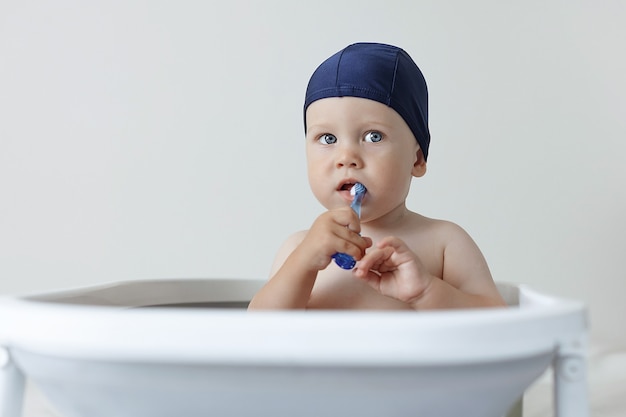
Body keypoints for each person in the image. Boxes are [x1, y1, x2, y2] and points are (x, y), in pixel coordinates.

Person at [248, 42, 505, 310]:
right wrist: (304, 263)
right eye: (328, 138)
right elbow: (259, 331)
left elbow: (498, 321)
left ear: (416, 159)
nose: (346, 157)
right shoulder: (299, 247)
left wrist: (426, 291)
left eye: (373, 136)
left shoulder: (445, 243)